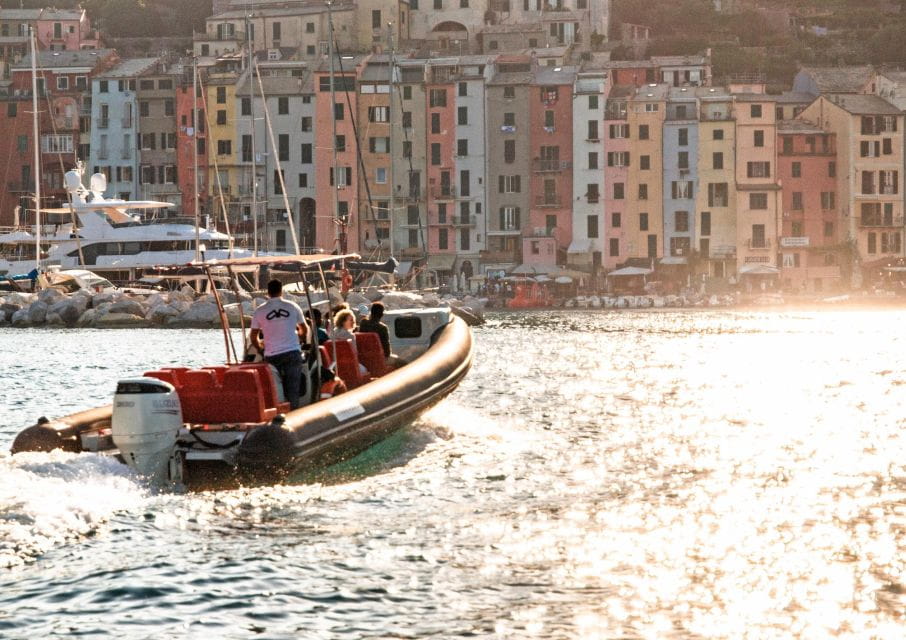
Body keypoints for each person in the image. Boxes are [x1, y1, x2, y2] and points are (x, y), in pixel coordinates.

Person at [249, 279, 307, 409]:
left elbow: (253, 336)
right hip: (292, 352)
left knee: (276, 391)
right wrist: (300, 341)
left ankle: (277, 415)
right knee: (293, 390)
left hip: (271, 356)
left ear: (268, 293)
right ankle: (294, 417)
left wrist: (260, 349)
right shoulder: (292, 306)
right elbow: (304, 329)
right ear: (281, 291)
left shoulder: (260, 311)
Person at [358, 301, 402, 368]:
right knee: (401, 363)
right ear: (381, 314)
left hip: (364, 357)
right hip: (378, 358)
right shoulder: (382, 328)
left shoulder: (363, 323)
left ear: (371, 312)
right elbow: (387, 352)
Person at [330, 308, 369, 376]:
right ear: (343, 321)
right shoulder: (350, 336)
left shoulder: (332, 333)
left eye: (353, 320)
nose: (353, 322)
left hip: (335, 365)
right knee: (365, 370)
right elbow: (354, 353)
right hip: (350, 365)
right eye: (351, 320)